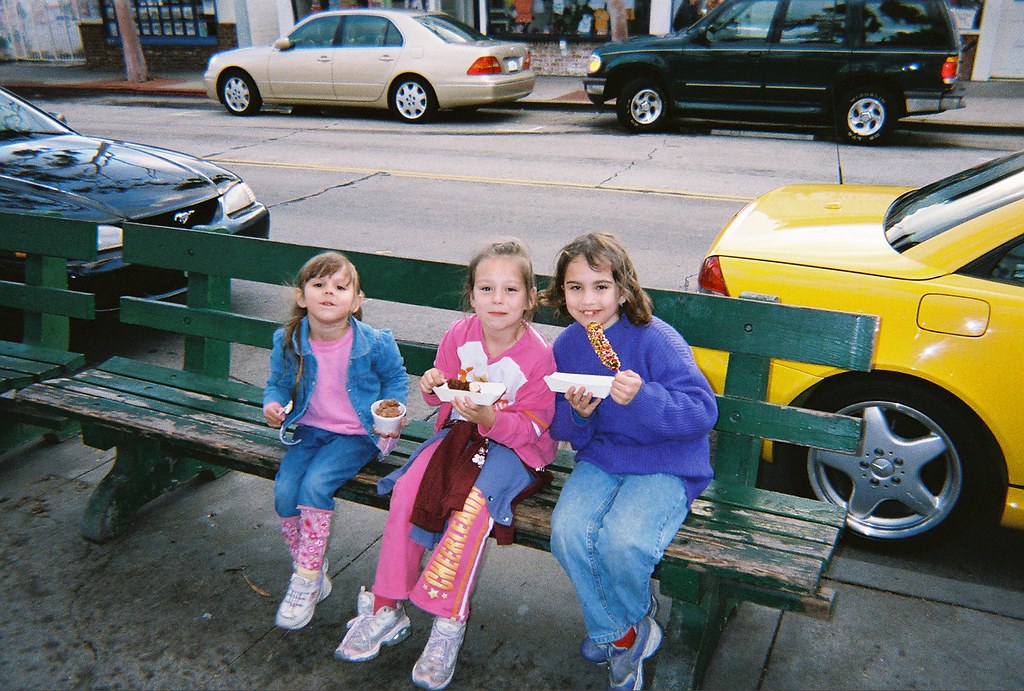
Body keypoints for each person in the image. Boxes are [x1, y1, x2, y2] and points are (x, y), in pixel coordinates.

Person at [335, 238, 557, 691]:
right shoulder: (460, 335)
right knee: (407, 491)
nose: (498, 300)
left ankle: (447, 622)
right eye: (486, 289)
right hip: (457, 437)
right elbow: (440, 388)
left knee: (470, 512)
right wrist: (434, 384)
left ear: (530, 297)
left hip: (514, 451)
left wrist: (494, 419)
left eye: (511, 290)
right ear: (471, 295)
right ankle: (386, 605)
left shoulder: (538, 354)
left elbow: (536, 424)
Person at [539, 232, 718, 690]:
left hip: (668, 462)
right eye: (575, 287)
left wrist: (644, 397)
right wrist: (580, 414)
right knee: (568, 531)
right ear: (562, 293)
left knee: (623, 542)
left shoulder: (656, 339)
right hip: (604, 458)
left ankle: (621, 634)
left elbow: (701, 412)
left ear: (623, 288)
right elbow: (563, 429)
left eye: (600, 286)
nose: (588, 299)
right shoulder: (568, 345)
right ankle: (625, 632)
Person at [263, 251, 408, 631]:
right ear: (301, 295)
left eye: (341, 287)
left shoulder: (373, 342)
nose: (329, 292)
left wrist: (391, 413)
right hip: (309, 430)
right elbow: (277, 383)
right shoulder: (289, 340)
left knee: (315, 485)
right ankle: (309, 568)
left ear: (356, 302)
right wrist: (274, 405)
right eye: (319, 284)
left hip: (356, 434)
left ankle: (306, 581)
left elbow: (395, 379)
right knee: (284, 491)